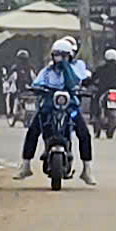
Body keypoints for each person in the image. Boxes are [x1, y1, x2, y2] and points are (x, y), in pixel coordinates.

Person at [15, 39, 95, 185]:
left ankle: (86, 169)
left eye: (64, 56)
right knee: (33, 130)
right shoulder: (47, 71)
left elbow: (76, 82)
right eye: (57, 55)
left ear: (70, 56)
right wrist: (35, 89)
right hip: (48, 107)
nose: (60, 59)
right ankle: (25, 165)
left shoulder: (75, 68)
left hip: (70, 108)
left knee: (84, 133)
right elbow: (37, 83)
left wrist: (66, 69)